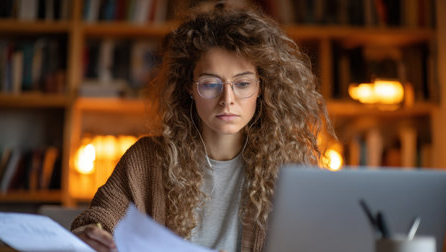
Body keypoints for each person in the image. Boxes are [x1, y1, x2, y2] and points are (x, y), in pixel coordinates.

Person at [71, 1, 333, 252]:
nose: (227, 100)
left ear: (261, 88)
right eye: (210, 84)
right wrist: (94, 232)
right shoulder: (147, 159)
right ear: (189, 88)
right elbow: (99, 218)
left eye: (242, 84)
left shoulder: (291, 168)